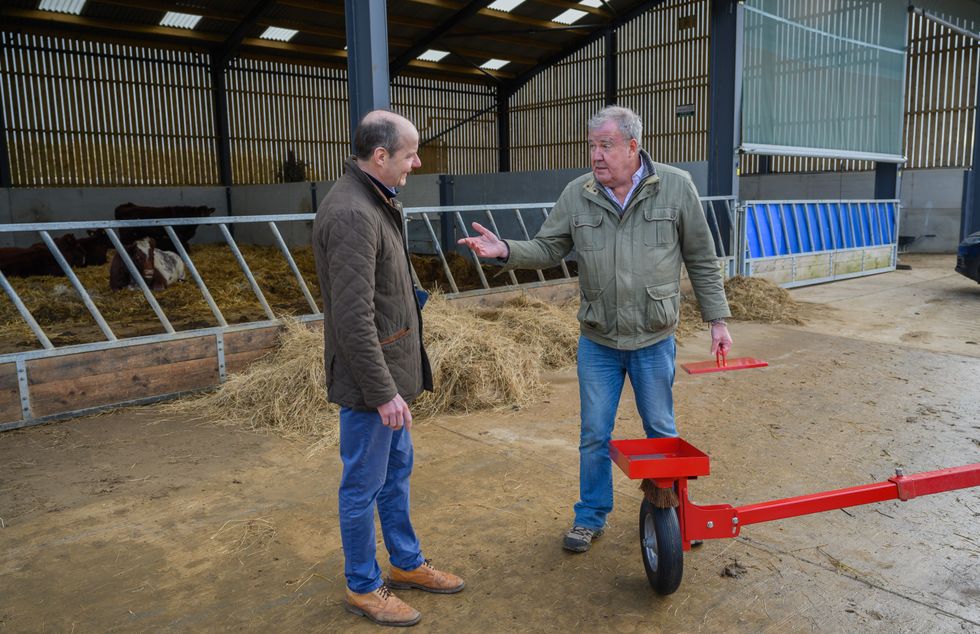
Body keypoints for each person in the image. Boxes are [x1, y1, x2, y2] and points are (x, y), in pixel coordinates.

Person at [458, 105, 733, 553]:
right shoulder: (578, 194)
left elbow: (701, 258)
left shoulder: (676, 187)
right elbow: (549, 247)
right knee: (594, 433)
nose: (597, 155)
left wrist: (717, 321)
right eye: (592, 146)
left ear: (632, 146)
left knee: (661, 428)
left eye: (606, 145)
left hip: (653, 336)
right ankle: (590, 515)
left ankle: (673, 509)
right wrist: (506, 249)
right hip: (599, 339)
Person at [313, 110, 464, 627]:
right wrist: (382, 392)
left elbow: (381, 296)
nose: (416, 163)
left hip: (390, 374)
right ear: (380, 156)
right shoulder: (353, 213)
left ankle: (404, 562)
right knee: (363, 485)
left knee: (396, 474)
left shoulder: (377, 201)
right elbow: (353, 320)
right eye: (409, 154)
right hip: (368, 385)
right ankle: (363, 585)